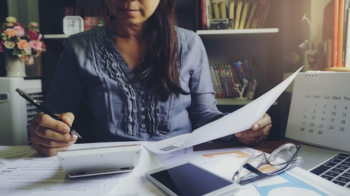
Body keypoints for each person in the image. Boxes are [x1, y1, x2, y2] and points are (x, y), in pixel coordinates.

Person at [28, 0, 272, 156]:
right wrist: (45, 132)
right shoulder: (77, 48)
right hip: (107, 166)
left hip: (179, 161)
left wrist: (245, 126)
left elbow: (205, 116)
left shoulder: (189, 44)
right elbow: (52, 116)